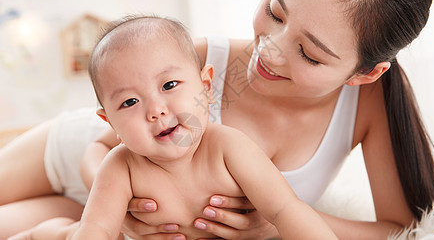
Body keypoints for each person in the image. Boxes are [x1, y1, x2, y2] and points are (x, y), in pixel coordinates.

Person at [0, 0, 434, 239]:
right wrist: (129, 208)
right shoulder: (198, 60)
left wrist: (273, 220)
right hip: (77, 163)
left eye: (309, 54)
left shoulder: (368, 103)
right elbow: (98, 150)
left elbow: (397, 227)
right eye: (275, 10)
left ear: (363, 73)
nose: (269, 51)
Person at [9, 15, 337, 240]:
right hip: (59, 155)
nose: (156, 110)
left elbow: (285, 210)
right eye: (129, 103)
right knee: (73, 233)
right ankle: (47, 231)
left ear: (207, 87)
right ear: (111, 124)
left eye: (169, 85)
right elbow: (98, 230)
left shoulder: (229, 148)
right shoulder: (121, 166)